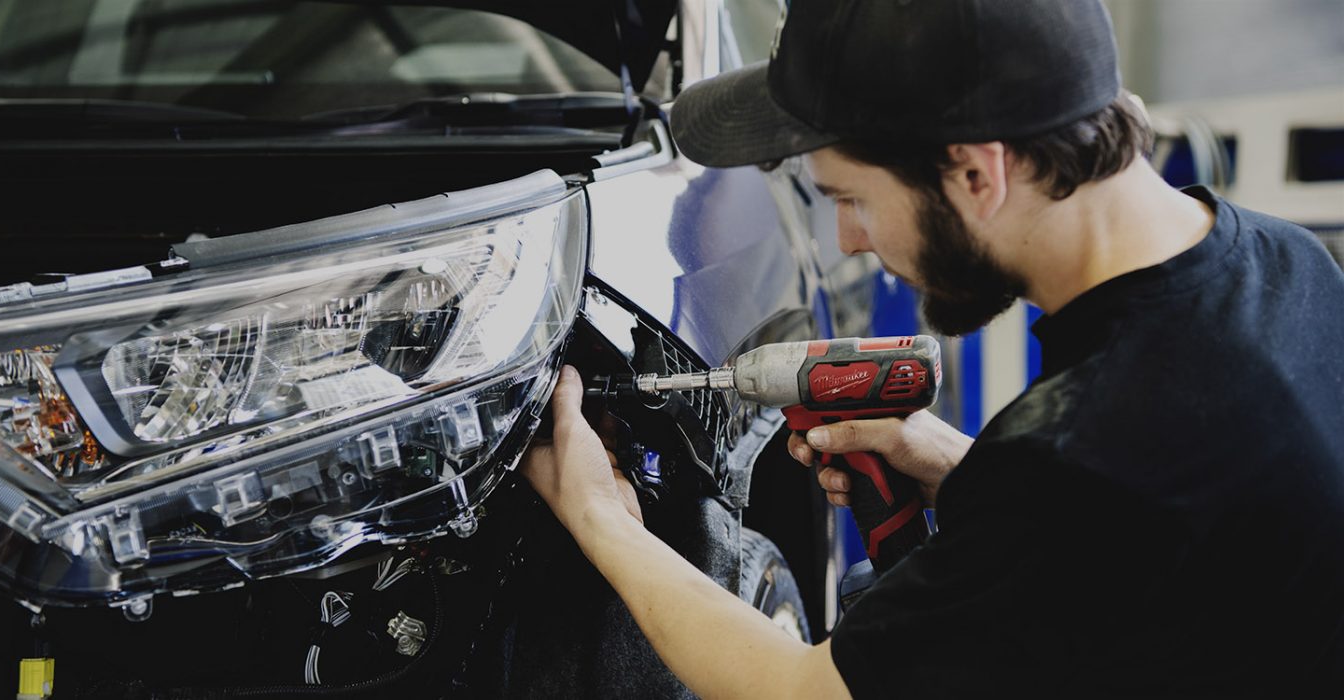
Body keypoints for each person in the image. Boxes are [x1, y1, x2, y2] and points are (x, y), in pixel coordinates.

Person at [521, 0, 1344, 697]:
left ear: (979, 176)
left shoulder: (1081, 458)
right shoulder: (1288, 263)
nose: (846, 240)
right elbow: (1179, 534)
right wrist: (975, 474)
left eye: (853, 198)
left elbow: (803, 689)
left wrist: (602, 519)